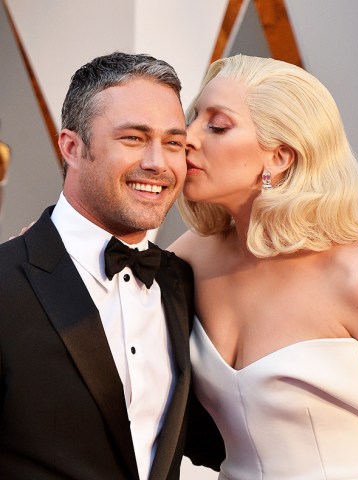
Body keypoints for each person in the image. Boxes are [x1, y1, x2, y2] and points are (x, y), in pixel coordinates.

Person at [0, 52, 224, 480]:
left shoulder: (183, 282)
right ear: (72, 147)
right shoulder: (5, 283)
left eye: (174, 143)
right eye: (134, 138)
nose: (157, 163)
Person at [170, 54, 358, 479]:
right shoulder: (194, 253)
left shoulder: (354, 277)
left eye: (216, 126)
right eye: (193, 119)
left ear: (280, 157)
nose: (187, 137)